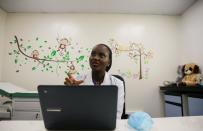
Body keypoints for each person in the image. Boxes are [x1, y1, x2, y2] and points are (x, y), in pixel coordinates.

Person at [64, 44, 124, 119]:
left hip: (107, 125)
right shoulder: (78, 81)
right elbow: (72, 112)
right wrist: (69, 93)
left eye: (101, 56)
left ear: (109, 62)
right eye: (93, 54)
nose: (95, 58)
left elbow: (117, 114)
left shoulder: (117, 84)